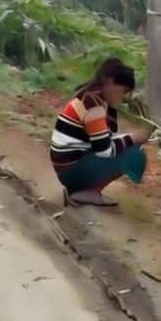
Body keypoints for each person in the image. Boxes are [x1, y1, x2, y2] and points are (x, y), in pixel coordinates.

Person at [50, 58, 150, 208]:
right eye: (123, 91)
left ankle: (82, 190)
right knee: (133, 152)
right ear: (110, 82)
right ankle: (86, 192)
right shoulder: (93, 105)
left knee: (126, 145)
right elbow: (105, 150)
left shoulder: (89, 97)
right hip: (70, 170)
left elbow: (102, 139)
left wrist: (128, 137)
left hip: (67, 166)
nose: (123, 98)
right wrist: (133, 137)